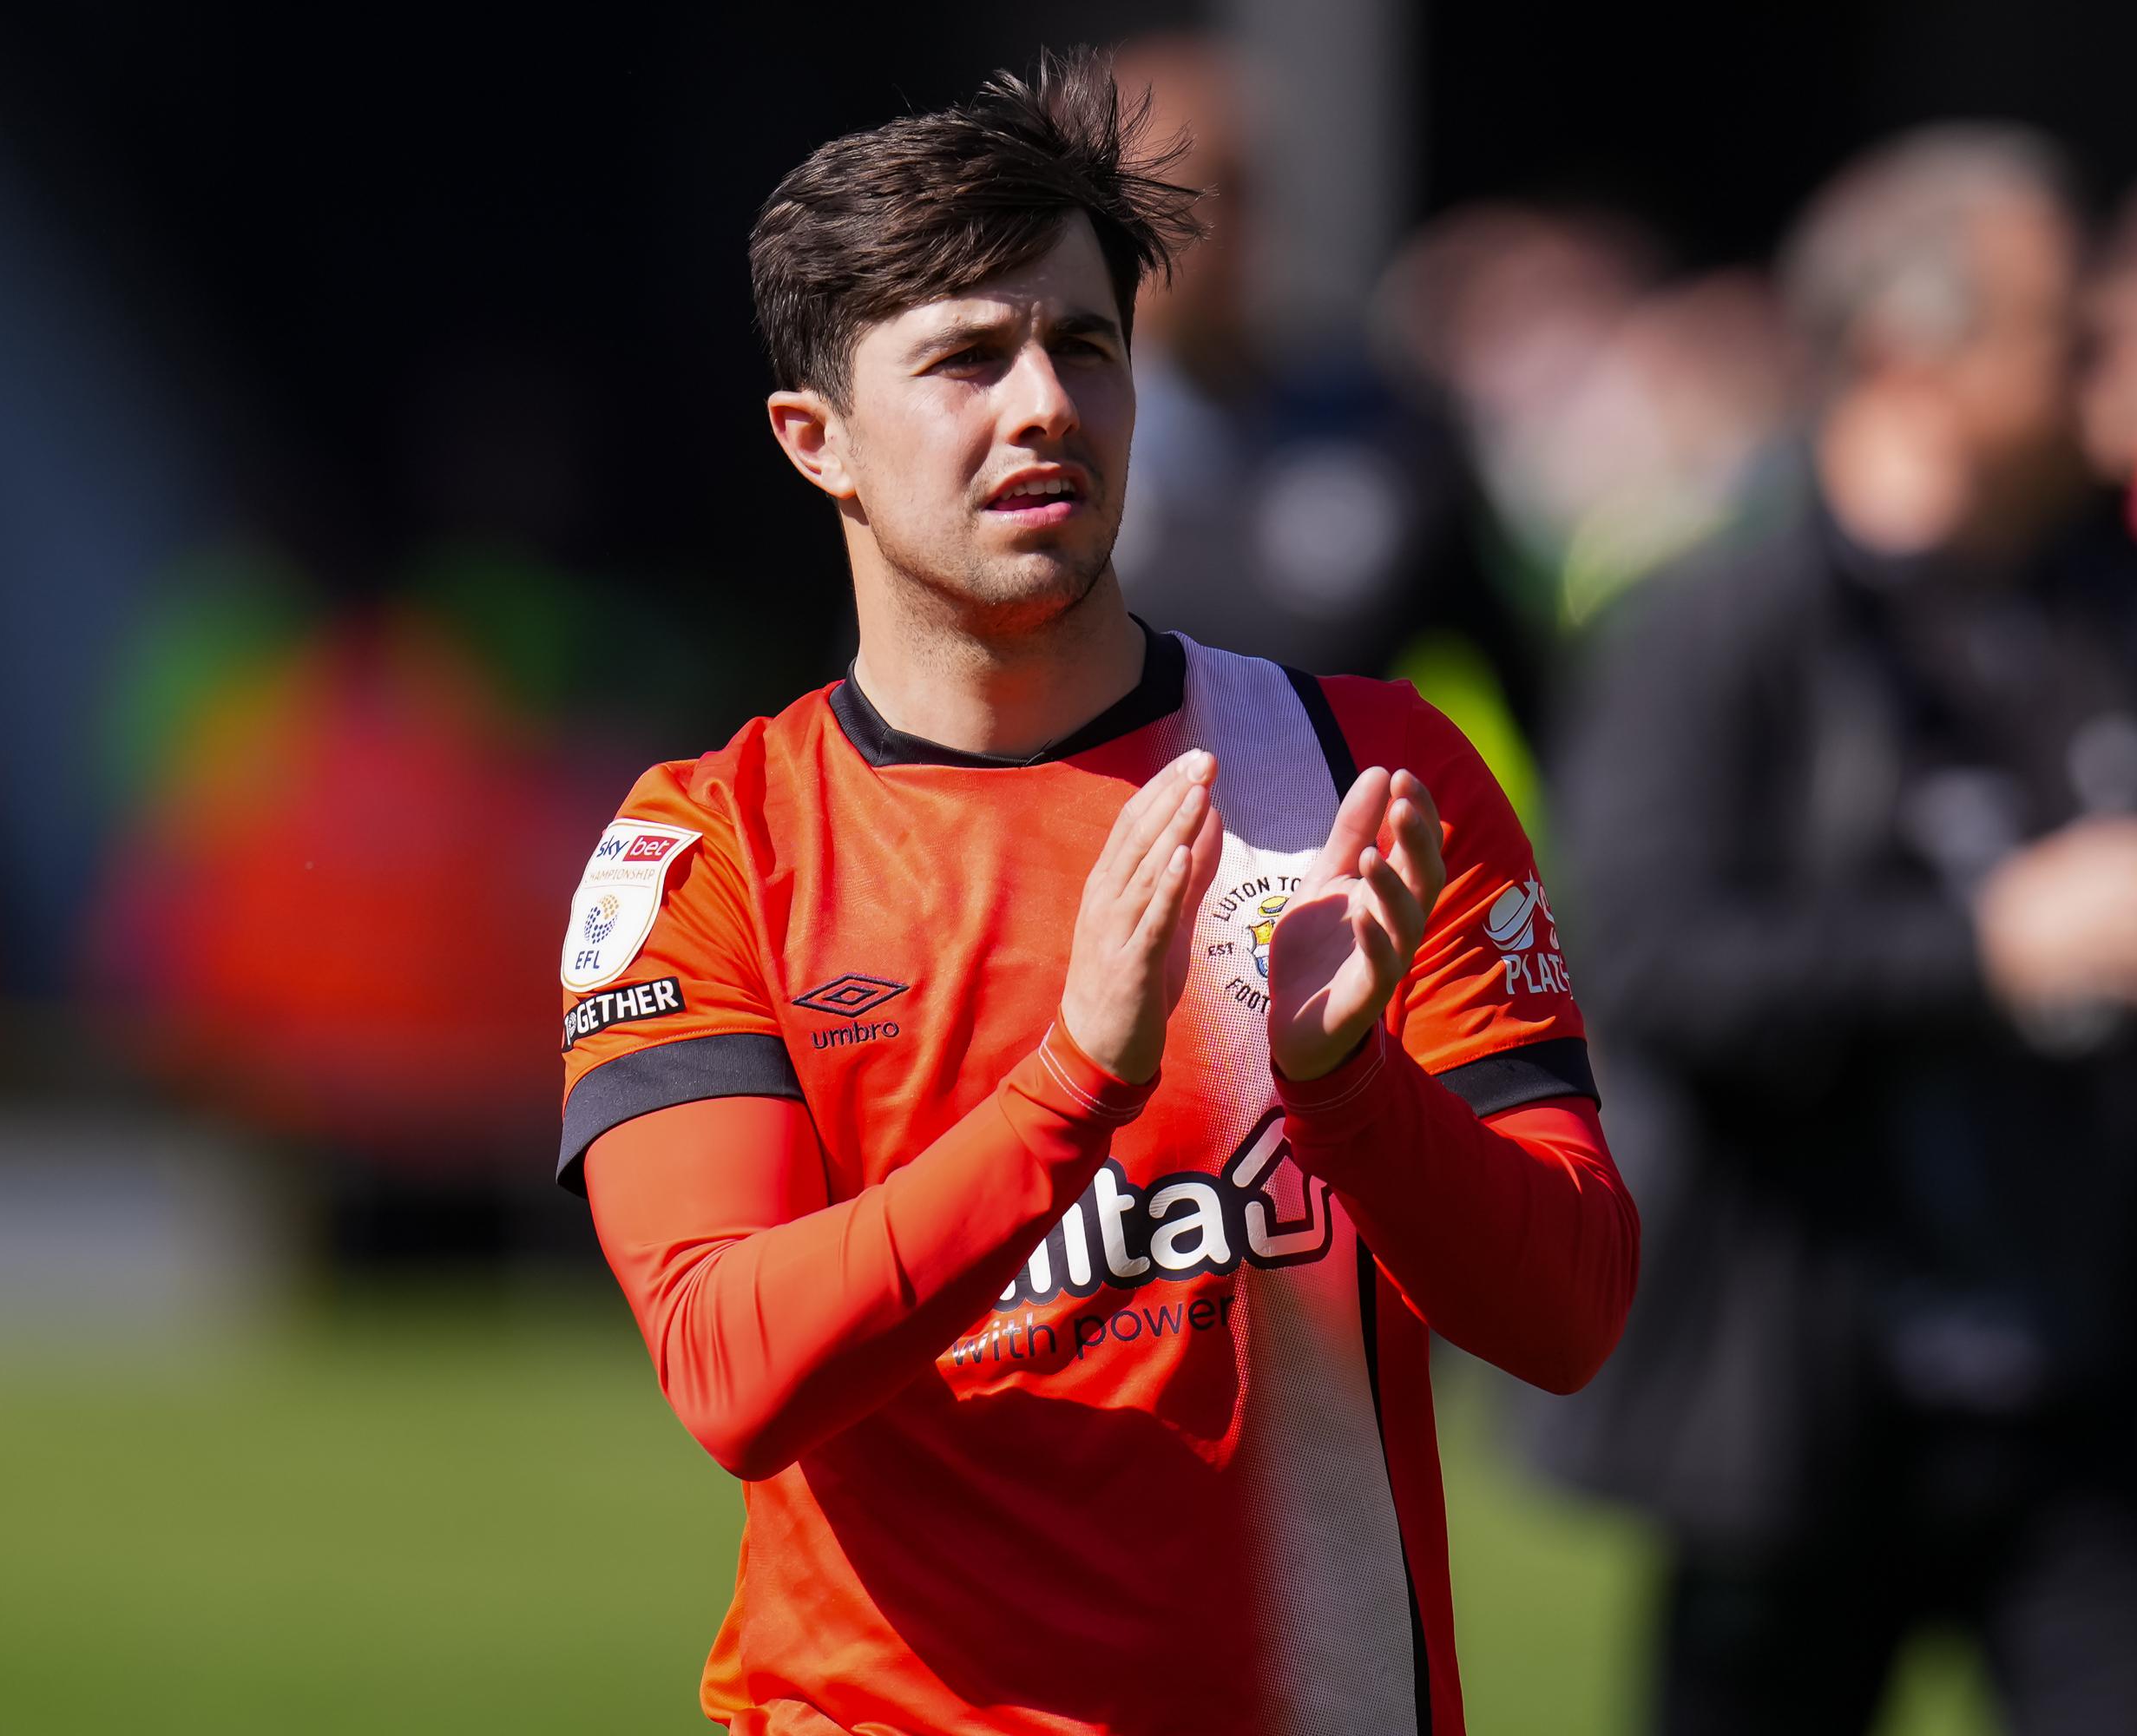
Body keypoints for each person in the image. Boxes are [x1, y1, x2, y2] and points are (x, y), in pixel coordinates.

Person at [552, 52, 1637, 1735]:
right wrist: (1074, 1089)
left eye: (1083, 345)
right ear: (814, 439)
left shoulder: (1356, 777)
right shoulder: (711, 849)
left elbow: (1570, 1312)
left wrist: (1353, 1093)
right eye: (968, 361)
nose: (1044, 403)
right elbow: (733, 1364)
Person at [1556, 125, 2137, 1734]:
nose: (2115, 380)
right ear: (1913, 358)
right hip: (1800, 1411)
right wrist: (1984, 953)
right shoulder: (1716, 625)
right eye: (2071, 341)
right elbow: (1647, 963)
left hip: (2107, 1414)